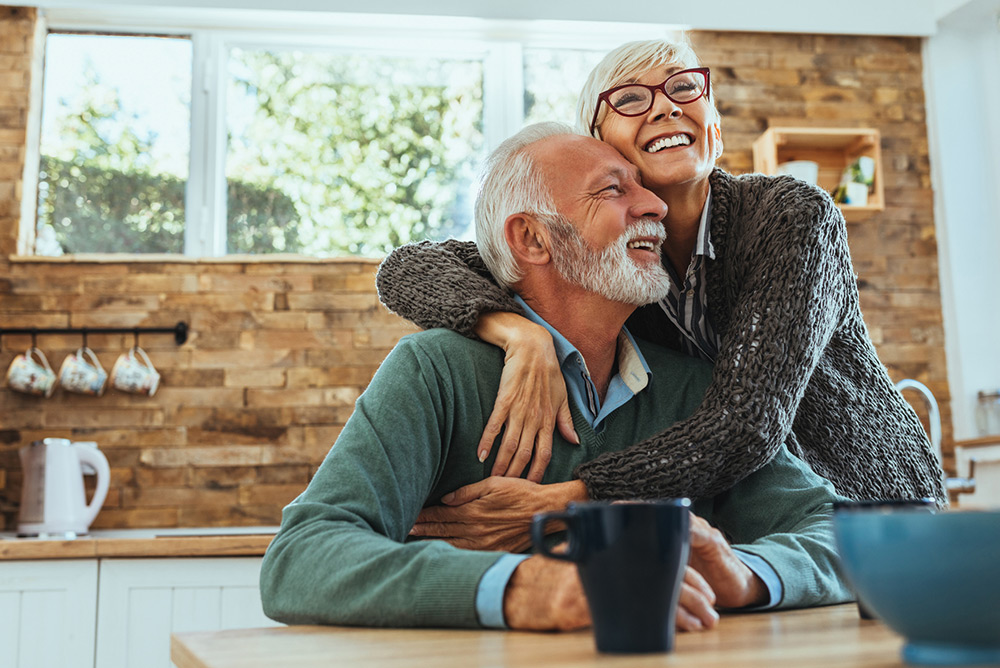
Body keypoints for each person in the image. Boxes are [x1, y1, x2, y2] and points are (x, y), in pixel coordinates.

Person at [259, 123, 852, 633]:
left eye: (644, 188)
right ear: (532, 238)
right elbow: (302, 558)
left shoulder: (695, 390)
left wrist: (745, 574)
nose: (655, 206)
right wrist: (527, 588)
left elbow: (839, 534)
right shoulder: (435, 371)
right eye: (614, 190)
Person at [374, 38, 945, 544]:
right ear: (599, 143)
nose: (667, 105)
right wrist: (517, 332)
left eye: (683, 88)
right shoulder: (607, 258)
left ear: (713, 122)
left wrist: (567, 500)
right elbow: (407, 268)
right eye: (630, 99)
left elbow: (746, 423)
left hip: (868, 507)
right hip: (743, 525)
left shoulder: (791, 217)